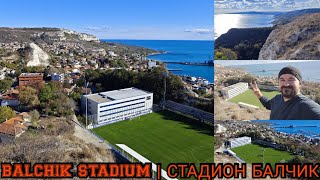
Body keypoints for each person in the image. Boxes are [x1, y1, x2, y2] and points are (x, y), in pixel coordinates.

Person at [252, 66, 320, 120]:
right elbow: (268, 104)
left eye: (291, 80)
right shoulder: (277, 99)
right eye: (282, 80)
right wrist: (258, 94)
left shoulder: (306, 105)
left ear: (300, 84)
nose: (286, 84)